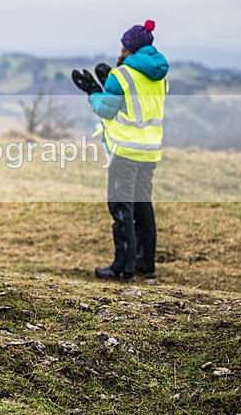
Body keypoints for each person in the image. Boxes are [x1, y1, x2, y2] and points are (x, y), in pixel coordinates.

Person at [72, 20, 169, 282]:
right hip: (150, 151)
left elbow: (106, 109)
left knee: (121, 207)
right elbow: (135, 103)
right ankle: (144, 265)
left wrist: (93, 92)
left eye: (123, 45)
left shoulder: (122, 75)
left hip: (125, 151)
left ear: (128, 48)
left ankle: (122, 268)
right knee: (142, 207)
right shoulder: (158, 76)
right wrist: (107, 85)